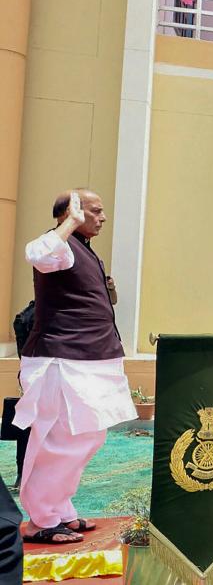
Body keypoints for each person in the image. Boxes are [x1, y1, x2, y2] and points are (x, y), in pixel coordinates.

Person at [16, 190, 137, 544]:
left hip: (88, 359)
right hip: (61, 360)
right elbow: (36, 253)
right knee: (58, 440)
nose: (102, 217)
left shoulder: (81, 248)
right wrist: (70, 219)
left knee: (87, 437)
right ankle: (41, 521)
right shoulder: (59, 245)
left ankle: (59, 509)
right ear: (73, 212)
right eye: (95, 211)